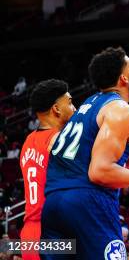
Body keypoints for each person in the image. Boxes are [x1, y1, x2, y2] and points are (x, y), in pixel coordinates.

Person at [41, 47, 129, 259]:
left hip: (53, 206)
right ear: (124, 78)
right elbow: (99, 173)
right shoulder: (121, 109)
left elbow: (86, 162)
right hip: (87, 205)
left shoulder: (87, 105)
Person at [20, 80, 75, 260]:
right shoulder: (60, 140)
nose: (75, 108)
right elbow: (95, 173)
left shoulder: (28, 142)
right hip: (52, 232)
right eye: (70, 102)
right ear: (56, 109)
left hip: (29, 232)